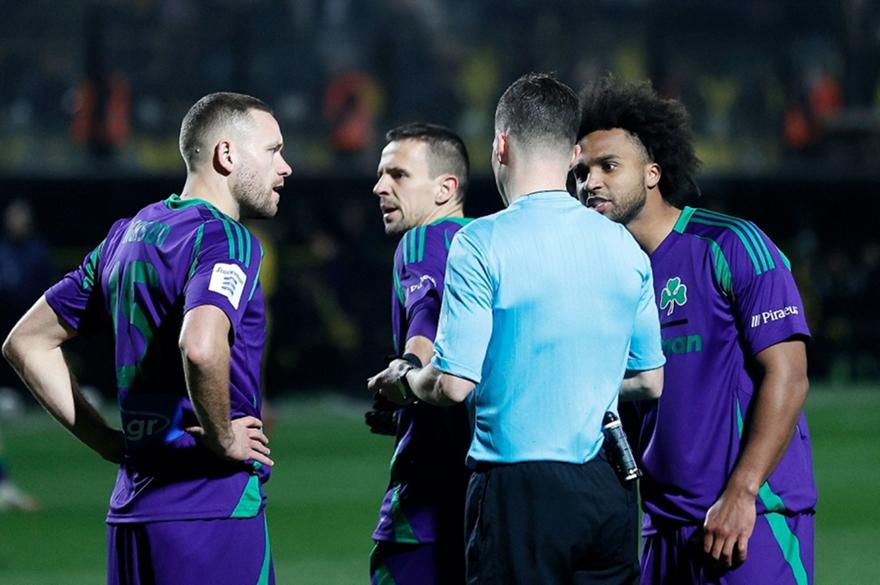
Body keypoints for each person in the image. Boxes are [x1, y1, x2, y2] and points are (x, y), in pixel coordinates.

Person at [369, 73, 665, 585]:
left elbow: (453, 384)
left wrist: (404, 381)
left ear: (500, 145)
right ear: (573, 153)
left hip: (517, 485)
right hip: (609, 487)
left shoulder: (480, 243)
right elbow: (648, 380)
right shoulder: (623, 245)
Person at [3, 92, 291, 585]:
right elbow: (199, 346)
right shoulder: (225, 238)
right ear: (227, 154)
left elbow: (26, 342)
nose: (285, 168)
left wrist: (106, 442)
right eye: (273, 151)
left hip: (132, 512)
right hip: (209, 509)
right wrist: (223, 438)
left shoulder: (127, 235)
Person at [574, 75, 815, 585]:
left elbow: (789, 376)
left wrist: (742, 493)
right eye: (580, 171)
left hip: (750, 521)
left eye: (608, 166)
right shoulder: (603, 282)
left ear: (653, 173)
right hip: (660, 532)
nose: (589, 182)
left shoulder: (730, 245)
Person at [366, 123, 473, 585]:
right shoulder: (493, 244)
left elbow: (424, 326)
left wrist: (405, 376)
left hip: (428, 498)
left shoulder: (423, 240)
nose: (380, 187)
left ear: (445, 188)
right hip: (489, 498)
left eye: (398, 175)